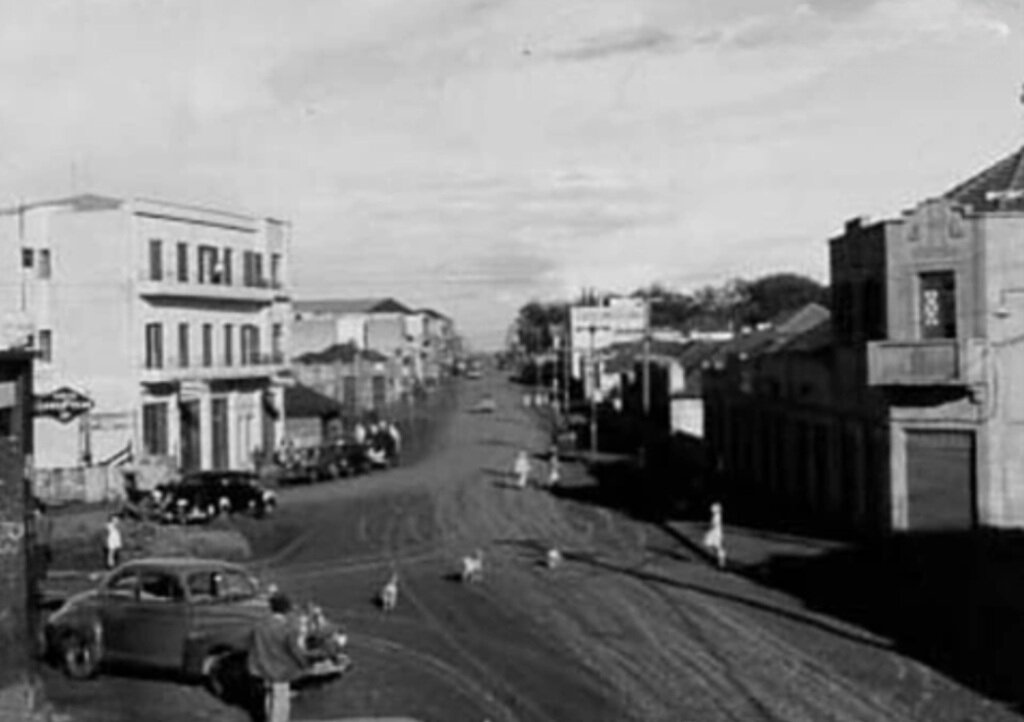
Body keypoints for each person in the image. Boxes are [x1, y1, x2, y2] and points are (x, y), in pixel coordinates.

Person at [247, 592, 312, 722]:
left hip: (263, 667)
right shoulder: (288, 628)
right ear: (286, 609)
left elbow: (253, 645)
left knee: (269, 697)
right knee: (280, 700)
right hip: (281, 669)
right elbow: (294, 649)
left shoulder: (259, 626)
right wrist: (304, 664)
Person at [702, 502, 727, 569]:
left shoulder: (717, 516)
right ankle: (716, 560)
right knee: (711, 546)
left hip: (715, 534)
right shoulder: (716, 515)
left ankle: (721, 563)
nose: (711, 509)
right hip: (714, 533)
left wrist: (708, 529)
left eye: (713, 508)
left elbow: (713, 525)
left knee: (718, 547)